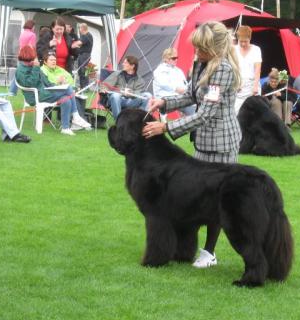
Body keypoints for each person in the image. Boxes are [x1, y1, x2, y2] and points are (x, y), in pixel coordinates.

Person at [143, 21, 241, 269]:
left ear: (215, 48)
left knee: (216, 199)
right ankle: (186, 246)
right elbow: (190, 96)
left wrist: (165, 127)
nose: (196, 52)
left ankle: (209, 252)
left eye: (201, 48)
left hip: (221, 143)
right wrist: (163, 103)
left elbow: (205, 114)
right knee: (197, 196)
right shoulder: (201, 64)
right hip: (202, 141)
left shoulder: (223, 70)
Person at [15, 45, 90, 136]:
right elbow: (30, 84)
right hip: (35, 97)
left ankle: (65, 128)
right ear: (28, 56)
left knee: (66, 97)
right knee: (68, 89)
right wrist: (35, 68)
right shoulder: (20, 70)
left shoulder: (33, 66)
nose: (35, 58)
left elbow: (47, 82)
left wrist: (58, 86)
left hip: (43, 93)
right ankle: (76, 116)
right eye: (34, 57)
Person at [102, 55, 151, 120]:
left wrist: (130, 93)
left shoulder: (139, 80)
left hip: (131, 101)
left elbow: (139, 93)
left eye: (125, 63)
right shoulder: (117, 74)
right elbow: (105, 85)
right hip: (118, 100)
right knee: (115, 96)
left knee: (148, 95)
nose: (123, 64)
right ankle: (119, 122)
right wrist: (103, 89)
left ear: (132, 66)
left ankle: (139, 120)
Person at [41, 52, 87, 118]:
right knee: (72, 96)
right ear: (45, 62)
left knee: (81, 97)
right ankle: (79, 119)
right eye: (51, 60)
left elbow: (70, 78)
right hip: (51, 94)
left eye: (54, 60)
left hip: (65, 91)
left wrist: (65, 83)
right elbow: (48, 85)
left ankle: (78, 119)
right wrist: (58, 82)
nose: (53, 62)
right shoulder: (43, 70)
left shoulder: (59, 69)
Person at [152, 48, 194, 117]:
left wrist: (188, 90)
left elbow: (184, 84)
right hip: (164, 98)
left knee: (193, 100)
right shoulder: (159, 70)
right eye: (174, 58)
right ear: (166, 59)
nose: (176, 60)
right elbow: (165, 84)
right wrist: (177, 89)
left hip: (178, 96)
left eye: (177, 57)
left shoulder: (178, 70)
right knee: (190, 103)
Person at [234, 25, 262, 113]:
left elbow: (257, 70)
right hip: (238, 85)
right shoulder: (233, 49)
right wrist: (236, 83)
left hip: (252, 85)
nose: (243, 44)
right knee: (236, 111)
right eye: (240, 41)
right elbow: (233, 68)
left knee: (253, 113)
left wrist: (255, 86)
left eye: (245, 41)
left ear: (250, 38)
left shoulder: (256, 49)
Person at [76, 23, 93, 90]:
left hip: (84, 55)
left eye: (80, 28)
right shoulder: (88, 35)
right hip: (85, 55)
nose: (79, 30)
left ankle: (84, 87)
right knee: (82, 71)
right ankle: (83, 87)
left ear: (82, 28)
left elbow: (79, 43)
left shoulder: (86, 35)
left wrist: (74, 44)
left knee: (83, 71)